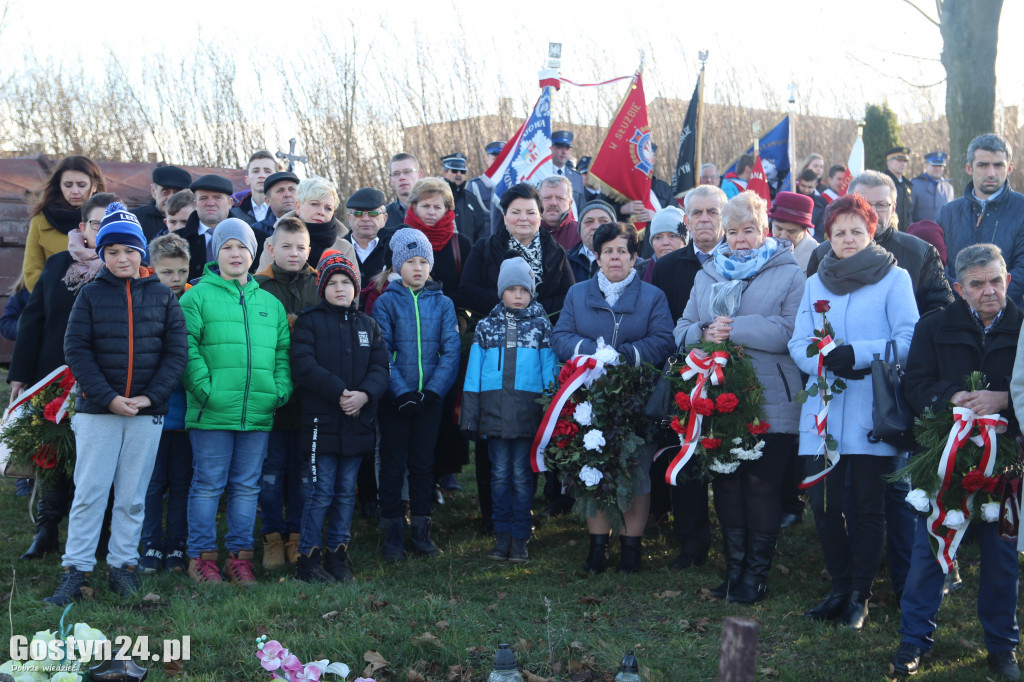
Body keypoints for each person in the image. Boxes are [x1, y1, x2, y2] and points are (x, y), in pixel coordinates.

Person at [43, 203, 187, 606]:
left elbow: (176, 353)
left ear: (142, 251)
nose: (121, 258)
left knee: (133, 495)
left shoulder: (161, 297)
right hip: (97, 413)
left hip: (145, 413)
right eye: (112, 252)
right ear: (102, 254)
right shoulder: (89, 295)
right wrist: (107, 397)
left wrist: (149, 397)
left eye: (129, 250)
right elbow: (76, 349)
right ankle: (77, 569)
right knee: (90, 491)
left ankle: (123, 567)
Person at [788, 194, 919, 630]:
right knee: (824, 506)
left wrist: (858, 353)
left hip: (869, 409)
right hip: (824, 409)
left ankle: (860, 596)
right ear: (828, 236)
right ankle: (839, 587)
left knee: (866, 507)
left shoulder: (894, 279)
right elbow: (797, 340)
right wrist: (820, 359)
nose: (848, 239)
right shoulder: (816, 281)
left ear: (872, 232)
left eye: (856, 231)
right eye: (839, 232)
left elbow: (908, 339)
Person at [891, 244, 1022, 679]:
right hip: (942, 455)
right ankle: (913, 640)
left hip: (1005, 462)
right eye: (978, 283)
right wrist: (950, 396)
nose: (990, 291)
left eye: (996, 281)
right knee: (929, 550)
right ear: (958, 288)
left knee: (1002, 558)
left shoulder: (1022, 326)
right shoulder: (934, 327)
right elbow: (915, 384)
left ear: (1007, 279)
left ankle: (1002, 647)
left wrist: (1004, 400)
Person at [675, 191, 804, 602]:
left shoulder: (788, 272)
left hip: (772, 395)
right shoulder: (707, 272)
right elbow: (683, 328)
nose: (741, 239)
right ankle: (734, 572)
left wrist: (734, 328)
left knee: (761, 485)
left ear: (764, 229)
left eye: (749, 230)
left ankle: (757, 576)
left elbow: (790, 332)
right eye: (733, 232)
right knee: (727, 484)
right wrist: (702, 334)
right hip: (718, 393)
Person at [551, 222, 675, 574]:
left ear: (635, 257)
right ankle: (597, 548)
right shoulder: (578, 294)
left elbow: (664, 340)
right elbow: (560, 336)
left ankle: (631, 550)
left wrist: (622, 356)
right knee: (594, 470)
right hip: (590, 397)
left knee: (637, 472)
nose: (615, 257)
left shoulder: (653, 297)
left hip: (638, 398)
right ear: (597, 256)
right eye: (608, 251)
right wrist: (593, 353)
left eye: (623, 251)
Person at [180, 219, 292, 585]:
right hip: (211, 410)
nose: (235, 253)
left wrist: (279, 391)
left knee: (247, 486)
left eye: (242, 247)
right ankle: (201, 557)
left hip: (258, 411)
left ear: (253, 253)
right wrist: (204, 389)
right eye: (227, 247)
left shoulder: (269, 303)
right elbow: (186, 348)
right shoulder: (196, 296)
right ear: (217, 252)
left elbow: (282, 354)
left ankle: (240, 558)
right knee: (208, 484)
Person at [9, 192, 119, 560]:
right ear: (83, 228)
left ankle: (101, 533)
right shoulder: (57, 266)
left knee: (100, 459)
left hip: (107, 380)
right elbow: (33, 319)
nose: (102, 230)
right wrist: (20, 376)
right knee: (54, 453)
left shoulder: (127, 269)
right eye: (96, 223)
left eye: (111, 222)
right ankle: (47, 530)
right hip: (54, 375)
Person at [290, 251, 389, 583]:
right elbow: (303, 365)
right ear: (322, 288)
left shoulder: (368, 326)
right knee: (321, 491)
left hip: (356, 422)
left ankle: (338, 555)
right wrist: (339, 392)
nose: (339, 288)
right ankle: (308, 559)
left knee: (347, 492)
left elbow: (380, 368)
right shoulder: (310, 321)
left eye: (346, 282)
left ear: (356, 287)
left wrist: (364, 395)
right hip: (322, 423)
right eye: (332, 282)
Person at [371, 228, 460, 562]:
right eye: (411, 261)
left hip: (429, 402)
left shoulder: (443, 303)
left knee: (423, 464)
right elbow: (383, 351)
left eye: (424, 261)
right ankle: (392, 532)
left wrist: (432, 392)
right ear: (398, 266)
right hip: (396, 402)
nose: (418, 268)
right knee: (394, 465)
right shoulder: (386, 303)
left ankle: (422, 531)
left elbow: (449, 352)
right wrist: (402, 393)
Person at [460, 257, 557, 563]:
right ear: (501, 291)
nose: (518, 295)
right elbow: (473, 375)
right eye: (511, 289)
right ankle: (502, 534)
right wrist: (471, 416)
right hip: (495, 416)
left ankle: (521, 535)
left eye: (524, 290)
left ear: (532, 292)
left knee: (523, 474)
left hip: (529, 416)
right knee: (500, 474)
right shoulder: (486, 328)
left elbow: (550, 375)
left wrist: (550, 415)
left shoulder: (542, 327)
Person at [651, 185, 727, 569]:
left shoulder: (741, 259)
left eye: (712, 212)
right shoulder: (667, 267)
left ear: (724, 216)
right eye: (697, 213)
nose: (705, 220)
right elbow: (663, 325)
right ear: (687, 219)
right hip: (686, 374)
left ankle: (736, 541)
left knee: (730, 457)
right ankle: (692, 542)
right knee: (688, 457)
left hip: (734, 372)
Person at [254, 217, 320, 569]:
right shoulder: (258, 287)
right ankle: (272, 537)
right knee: (271, 471)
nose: (293, 254)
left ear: (309, 250)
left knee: (303, 472)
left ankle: (297, 534)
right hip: (271, 398)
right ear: (271, 249)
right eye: (286, 247)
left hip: (309, 398)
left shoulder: (319, 285)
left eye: (300, 248)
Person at [807, 171, 953, 316]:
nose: (873, 212)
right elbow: (810, 312)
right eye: (864, 204)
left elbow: (940, 312)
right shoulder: (822, 255)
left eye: (882, 205)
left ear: (893, 208)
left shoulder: (921, 254)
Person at [138, 233, 194, 574]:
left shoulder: (195, 300)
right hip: (151, 412)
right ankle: (150, 544)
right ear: (152, 270)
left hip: (186, 413)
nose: (175, 279)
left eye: (181, 271)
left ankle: (176, 544)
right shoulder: (144, 300)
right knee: (152, 482)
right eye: (167, 272)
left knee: (182, 481)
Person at [939, 134, 1024, 304]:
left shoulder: (1021, 208)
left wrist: (988, 300)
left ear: (1009, 168)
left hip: (1007, 314)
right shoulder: (949, 212)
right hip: (957, 311)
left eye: (998, 165)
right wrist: (963, 300)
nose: (991, 173)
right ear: (969, 168)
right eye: (983, 165)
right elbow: (939, 266)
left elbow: (1022, 269)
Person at [22, 155, 105, 292]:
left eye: (81, 185)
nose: (74, 191)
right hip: (54, 302)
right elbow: (31, 272)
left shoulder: (110, 219)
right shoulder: (40, 222)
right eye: (67, 185)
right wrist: (59, 295)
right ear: (59, 185)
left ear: (94, 185)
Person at [255, 176, 358, 273]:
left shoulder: (345, 248)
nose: (321, 212)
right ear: (298, 207)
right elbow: (261, 285)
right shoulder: (273, 243)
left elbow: (353, 289)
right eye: (314, 204)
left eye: (328, 208)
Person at [402, 177, 473, 299]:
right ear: (414, 206)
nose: (431, 212)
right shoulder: (400, 241)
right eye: (425, 206)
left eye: (437, 207)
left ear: (447, 209)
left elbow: (469, 288)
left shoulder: (461, 244)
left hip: (451, 315)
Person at [178, 174, 235, 281]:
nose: (210, 203)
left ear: (230, 203)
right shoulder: (176, 241)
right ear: (195, 204)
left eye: (217, 197)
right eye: (204, 198)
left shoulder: (255, 238)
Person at [345, 187, 392, 291]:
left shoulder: (393, 250)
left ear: (385, 218)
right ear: (349, 218)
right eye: (358, 213)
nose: (365, 219)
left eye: (373, 213)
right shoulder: (337, 248)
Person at [132, 165, 192, 241]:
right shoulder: (134, 220)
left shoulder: (198, 220)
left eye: (177, 193)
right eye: (165, 192)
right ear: (154, 191)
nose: (171, 198)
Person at [441, 153, 487, 244]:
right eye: (454, 170)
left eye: (462, 171)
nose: (459, 174)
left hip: (469, 255)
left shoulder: (471, 199)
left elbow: (481, 232)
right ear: (444, 173)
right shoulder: (436, 198)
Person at [568, 200, 618, 283]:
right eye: (589, 222)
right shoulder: (563, 261)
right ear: (580, 229)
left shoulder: (631, 263)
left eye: (603, 221)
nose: (596, 227)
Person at [769, 191, 819, 273]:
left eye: (791, 231)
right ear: (772, 223)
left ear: (804, 230)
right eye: (779, 229)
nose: (783, 236)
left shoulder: (818, 258)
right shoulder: (760, 250)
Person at [231, 151, 279, 225]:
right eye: (256, 171)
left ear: (276, 178)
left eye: (267, 171)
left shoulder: (286, 211)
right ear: (247, 179)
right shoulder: (233, 214)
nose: (262, 175)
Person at [910, 151, 955, 223]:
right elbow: (908, 215)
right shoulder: (914, 185)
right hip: (919, 233)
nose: (937, 168)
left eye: (940, 166)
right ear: (926, 166)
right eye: (934, 165)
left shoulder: (948, 188)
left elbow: (952, 215)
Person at [538, 175, 580, 251]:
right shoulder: (526, 233)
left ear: (570, 203)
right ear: (538, 202)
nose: (553, 203)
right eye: (547, 197)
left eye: (560, 198)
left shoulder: (581, 234)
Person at [645, 206, 687, 280]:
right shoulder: (640, 274)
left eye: (672, 236)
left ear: (684, 241)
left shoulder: (698, 272)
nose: (665, 243)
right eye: (658, 237)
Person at [385, 153, 424, 228]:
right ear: (391, 180)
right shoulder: (384, 217)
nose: (402, 177)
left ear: (420, 175)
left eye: (407, 171)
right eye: (396, 173)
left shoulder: (436, 211)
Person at [550, 130, 585, 210]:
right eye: (559, 147)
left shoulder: (577, 178)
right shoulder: (542, 174)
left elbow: (582, 208)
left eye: (567, 148)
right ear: (551, 148)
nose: (564, 152)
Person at [883, 146, 913, 234]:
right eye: (899, 160)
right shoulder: (883, 182)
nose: (903, 164)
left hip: (904, 234)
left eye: (905, 161)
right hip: (887, 233)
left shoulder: (906, 185)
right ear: (889, 162)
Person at [467, 140, 503, 212]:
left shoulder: (512, 183)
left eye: (502, 159)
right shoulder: (475, 185)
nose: (498, 163)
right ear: (487, 160)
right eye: (495, 159)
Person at [795, 169, 827, 239]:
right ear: (799, 182)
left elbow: (820, 232)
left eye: (810, 187)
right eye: (803, 186)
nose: (806, 190)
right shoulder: (790, 197)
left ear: (816, 185)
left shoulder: (821, 204)